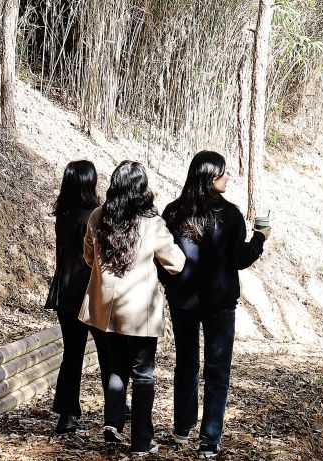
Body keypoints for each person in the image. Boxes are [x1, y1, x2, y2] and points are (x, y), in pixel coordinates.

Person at [158, 150, 270, 458]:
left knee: (186, 364)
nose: (227, 177)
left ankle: (182, 429)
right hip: (219, 302)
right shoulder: (230, 214)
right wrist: (260, 238)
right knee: (217, 369)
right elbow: (238, 258)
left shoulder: (174, 211)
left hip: (183, 301)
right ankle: (209, 438)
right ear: (210, 176)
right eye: (223, 172)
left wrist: (171, 285)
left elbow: (161, 256)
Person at [78, 160, 185, 456]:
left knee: (116, 365)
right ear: (142, 190)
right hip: (139, 312)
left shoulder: (98, 216)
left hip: (105, 307)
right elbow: (176, 263)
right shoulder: (152, 223)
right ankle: (141, 441)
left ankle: (112, 422)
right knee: (143, 375)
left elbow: (88, 257)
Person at [49, 160, 116, 434]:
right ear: (89, 182)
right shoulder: (94, 215)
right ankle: (115, 409)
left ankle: (66, 415)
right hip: (92, 293)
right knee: (108, 353)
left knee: (72, 354)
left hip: (66, 293)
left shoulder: (63, 214)